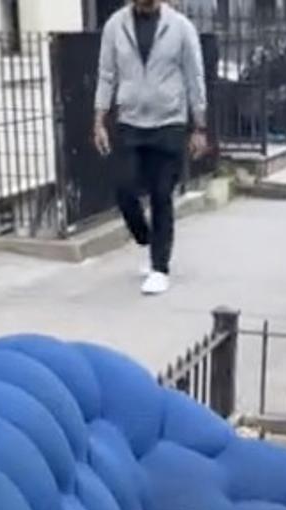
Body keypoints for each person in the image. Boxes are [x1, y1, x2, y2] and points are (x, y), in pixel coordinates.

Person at [94, 0, 209, 296]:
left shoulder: (181, 27)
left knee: (161, 195)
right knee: (123, 188)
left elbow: (195, 76)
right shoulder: (115, 26)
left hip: (169, 123)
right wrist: (99, 120)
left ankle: (160, 268)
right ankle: (146, 238)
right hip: (130, 121)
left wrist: (199, 127)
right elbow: (106, 74)